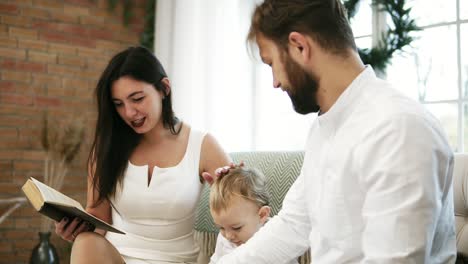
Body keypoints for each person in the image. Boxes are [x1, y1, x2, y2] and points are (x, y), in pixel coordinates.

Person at [203, 0, 457, 263]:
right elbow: (293, 225)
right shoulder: (324, 129)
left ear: (300, 46)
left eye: (271, 64)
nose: (275, 82)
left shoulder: (398, 127)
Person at [54, 46, 231, 264]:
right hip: (116, 258)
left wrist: (238, 187)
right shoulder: (107, 147)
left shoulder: (202, 144)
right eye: (119, 104)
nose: (129, 112)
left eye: (137, 98)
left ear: (164, 89)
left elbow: (243, 205)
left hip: (173, 260)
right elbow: (98, 218)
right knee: (85, 242)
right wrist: (76, 230)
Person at [208, 166, 298, 264]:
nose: (228, 236)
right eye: (221, 227)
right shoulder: (224, 236)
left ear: (262, 215)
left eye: (237, 228)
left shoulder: (276, 236)